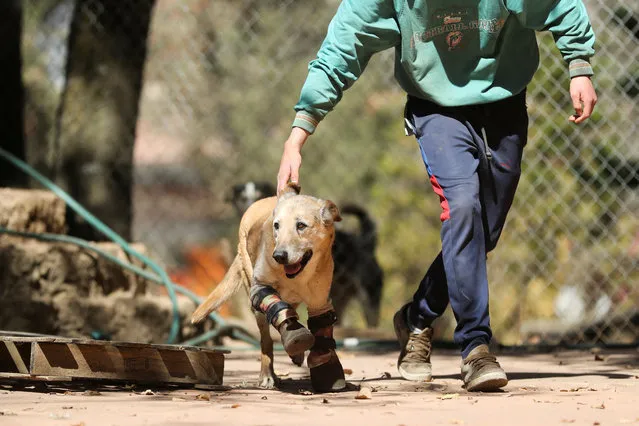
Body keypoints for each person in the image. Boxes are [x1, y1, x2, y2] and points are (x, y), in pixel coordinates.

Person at [276, 0, 597, 391]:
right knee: (462, 206)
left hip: (504, 101)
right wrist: (299, 134)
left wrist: (579, 63)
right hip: (437, 109)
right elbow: (342, 49)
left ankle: (417, 317)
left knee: (484, 232)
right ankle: (476, 348)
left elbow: (556, 3)